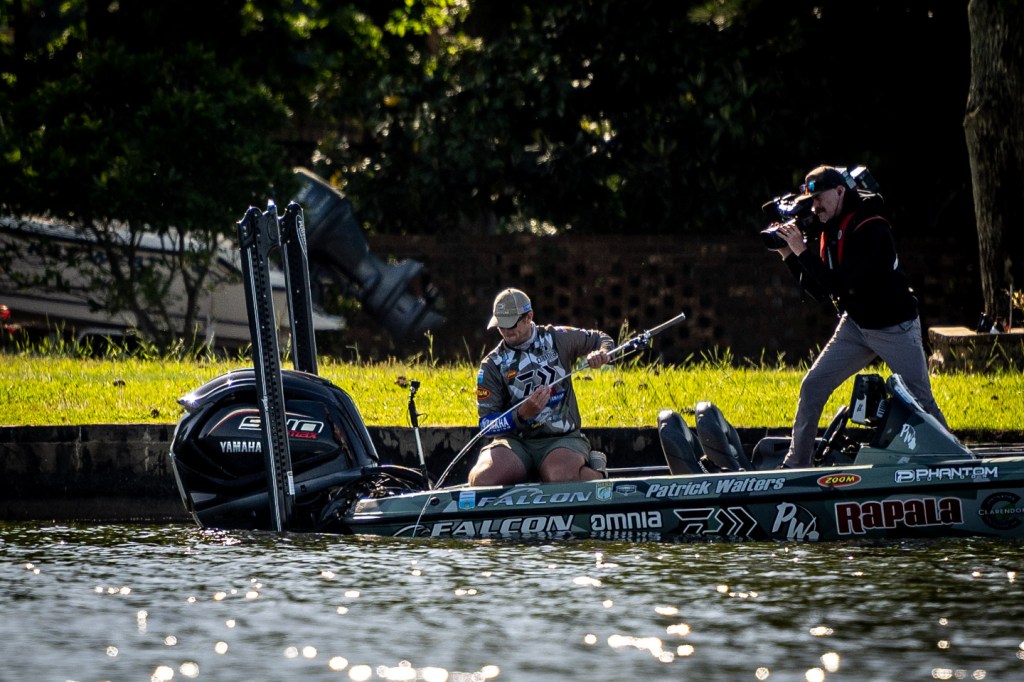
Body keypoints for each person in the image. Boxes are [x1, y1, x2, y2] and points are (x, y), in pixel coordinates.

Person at [772, 165, 949, 468]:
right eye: (812, 201)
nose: (815, 207)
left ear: (841, 191)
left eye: (820, 198)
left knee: (920, 400)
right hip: (856, 325)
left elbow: (843, 284)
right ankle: (796, 464)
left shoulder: (870, 227)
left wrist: (801, 252)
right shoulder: (830, 228)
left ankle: (956, 463)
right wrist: (789, 256)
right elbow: (820, 290)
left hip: (894, 327)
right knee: (812, 386)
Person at [469, 288, 615, 486]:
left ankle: (598, 473)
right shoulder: (491, 365)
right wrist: (520, 415)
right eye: (500, 325)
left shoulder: (557, 337)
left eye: (511, 324)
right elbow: (486, 424)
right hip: (515, 443)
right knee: (482, 479)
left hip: (561, 438)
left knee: (558, 474)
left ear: (529, 316)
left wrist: (603, 354)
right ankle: (525, 474)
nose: (505, 331)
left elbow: (601, 339)